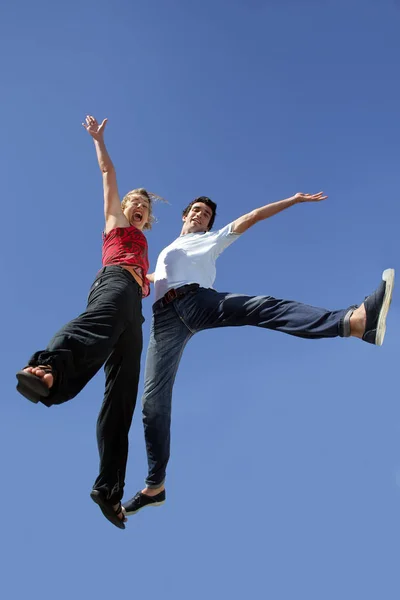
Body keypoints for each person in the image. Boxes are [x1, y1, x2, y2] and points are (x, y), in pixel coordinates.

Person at [122, 192, 395, 516]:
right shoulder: (168, 249)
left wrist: (292, 200)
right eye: (196, 210)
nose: (200, 215)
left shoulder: (213, 239)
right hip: (164, 322)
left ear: (210, 223)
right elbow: (154, 279)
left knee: (263, 307)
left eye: (206, 214)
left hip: (198, 302)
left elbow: (251, 217)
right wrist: (140, 278)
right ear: (184, 215)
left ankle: (354, 321)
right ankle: (156, 485)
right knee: (152, 402)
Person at [16, 115, 159, 529]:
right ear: (123, 207)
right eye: (134, 202)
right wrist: (99, 140)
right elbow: (108, 172)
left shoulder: (147, 247)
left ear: (148, 220)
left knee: (123, 395)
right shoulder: (114, 224)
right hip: (114, 284)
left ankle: (108, 488)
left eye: (144, 208)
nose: (137, 208)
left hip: (136, 306)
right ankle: (47, 368)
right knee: (98, 321)